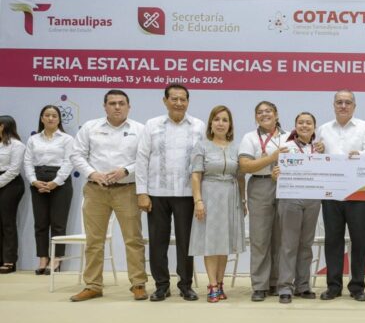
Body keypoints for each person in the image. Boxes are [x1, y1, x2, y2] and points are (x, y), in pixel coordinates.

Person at [69, 90, 148, 301]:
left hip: (127, 189)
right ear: (104, 106)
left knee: (133, 240)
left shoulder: (140, 129)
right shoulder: (90, 127)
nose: (117, 107)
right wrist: (92, 173)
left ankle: (138, 284)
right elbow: (76, 154)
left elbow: (145, 158)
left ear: (129, 107)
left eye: (121, 103)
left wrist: (126, 170)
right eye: (112, 103)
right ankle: (93, 285)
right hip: (96, 189)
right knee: (94, 241)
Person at [136, 84, 205, 302]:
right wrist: (142, 192)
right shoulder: (152, 125)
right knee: (158, 241)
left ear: (188, 101)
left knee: (186, 242)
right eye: (173, 99)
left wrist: (200, 196)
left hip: (186, 193)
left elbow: (203, 160)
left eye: (182, 99)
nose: (178, 103)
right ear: (165, 101)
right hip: (157, 192)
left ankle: (186, 285)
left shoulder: (198, 126)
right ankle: (161, 286)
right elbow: (142, 158)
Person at [316, 90, 365, 302]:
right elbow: (317, 157)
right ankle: (333, 286)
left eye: (347, 102)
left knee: (359, 241)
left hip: (358, 192)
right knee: (333, 240)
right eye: (339, 102)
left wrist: (360, 155)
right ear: (333, 105)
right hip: (331, 193)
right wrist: (318, 149)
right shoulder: (323, 129)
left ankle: (357, 286)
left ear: (354, 106)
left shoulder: (364, 127)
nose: (343, 106)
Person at [189, 105, 247, 303]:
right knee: (211, 243)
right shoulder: (201, 146)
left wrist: (243, 200)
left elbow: (240, 176)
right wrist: (198, 201)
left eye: (225, 120)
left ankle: (221, 283)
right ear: (211, 123)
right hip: (209, 194)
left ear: (230, 125)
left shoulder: (236, 147)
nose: (220, 123)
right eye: (217, 119)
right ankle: (212, 284)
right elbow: (196, 176)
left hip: (231, 196)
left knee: (224, 243)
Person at [272, 112, 325, 304]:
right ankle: (285, 286)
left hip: (313, 199)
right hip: (290, 199)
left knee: (306, 244)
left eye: (308, 123)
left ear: (314, 127)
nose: (304, 126)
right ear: (295, 125)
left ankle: (303, 285)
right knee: (288, 244)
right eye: (301, 122)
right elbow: (275, 171)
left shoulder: (319, 148)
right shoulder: (285, 146)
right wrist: (275, 173)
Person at [238, 100, 287, 301]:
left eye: (268, 111)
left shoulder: (289, 137)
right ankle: (259, 285)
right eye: (259, 112)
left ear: (276, 114)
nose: (264, 114)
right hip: (260, 186)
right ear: (255, 116)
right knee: (260, 239)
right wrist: (271, 158)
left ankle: (276, 282)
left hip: (286, 187)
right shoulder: (250, 137)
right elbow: (245, 166)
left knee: (281, 237)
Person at [24, 105, 74, 275]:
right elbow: (28, 162)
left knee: (58, 223)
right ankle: (43, 258)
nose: (51, 118)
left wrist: (56, 182)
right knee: (41, 223)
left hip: (60, 181)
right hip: (37, 180)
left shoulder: (67, 139)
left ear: (59, 119)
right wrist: (33, 180)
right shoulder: (33, 139)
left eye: (54, 115)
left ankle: (57, 258)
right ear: (41, 118)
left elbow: (69, 162)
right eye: (47, 115)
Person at [0, 115, 26, 274]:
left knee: (7, 222)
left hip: (11, 184)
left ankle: (9, 260)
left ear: (3, 126)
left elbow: (13, 170)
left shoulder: (17, 145)